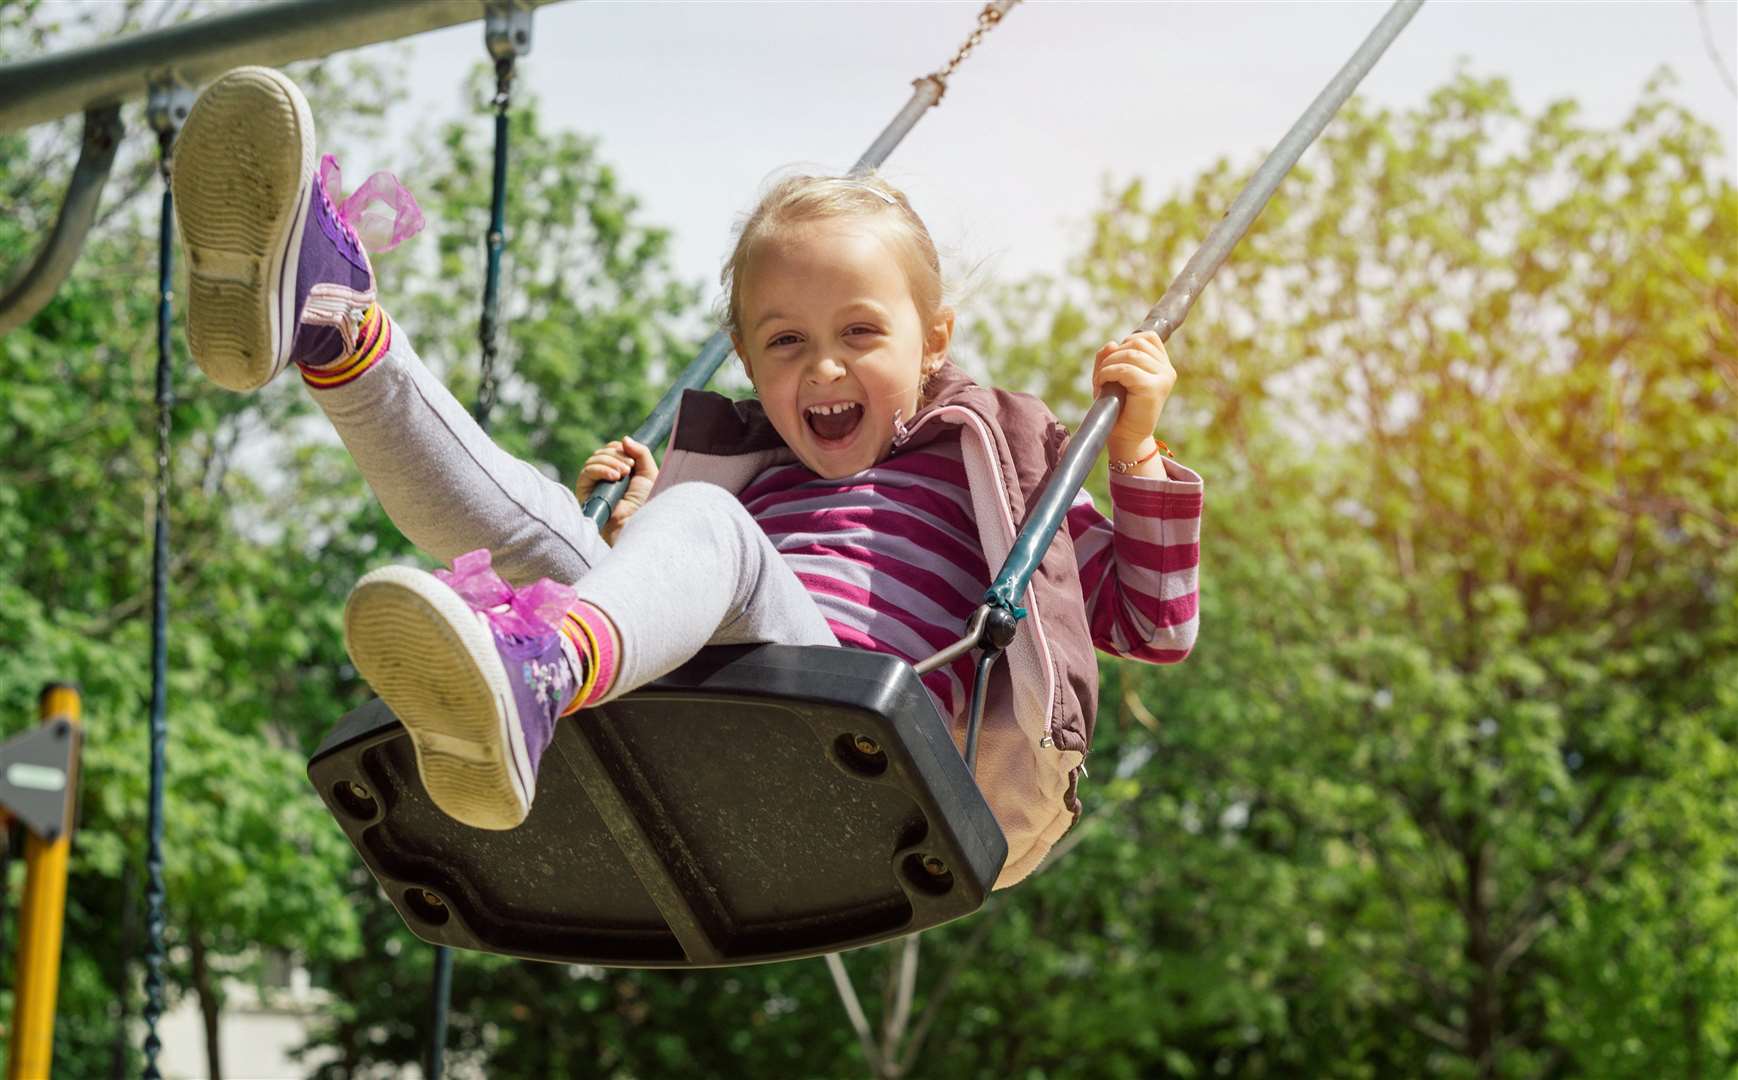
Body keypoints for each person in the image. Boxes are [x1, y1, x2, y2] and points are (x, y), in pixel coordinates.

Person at [172, 67, 1203, 887]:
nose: (825, 366)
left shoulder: (1004, 473)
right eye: (786, 342)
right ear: (748, 364)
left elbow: (1154, 623)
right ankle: (338, 332)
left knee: (701, 521)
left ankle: (537, 668)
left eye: (860, 333)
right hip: (713, 711)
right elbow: (703, 580)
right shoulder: (748, 480)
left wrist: (1134, 455)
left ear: (933, 340)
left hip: (870, 750)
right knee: (543, 518)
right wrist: (631, 538)